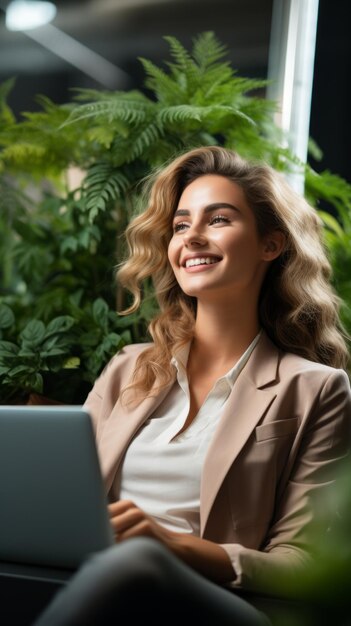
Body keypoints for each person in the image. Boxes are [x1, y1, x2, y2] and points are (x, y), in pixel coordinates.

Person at [33, 146, 351, 626]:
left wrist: (170, 545)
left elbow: (304, 567)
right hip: (99, 584)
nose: (193, 237)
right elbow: (65, 503)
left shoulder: (316, 389)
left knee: (135, 561)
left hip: (227, 606)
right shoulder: (128, 369)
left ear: (271, 244)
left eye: (218, 220)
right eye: (181, 225)